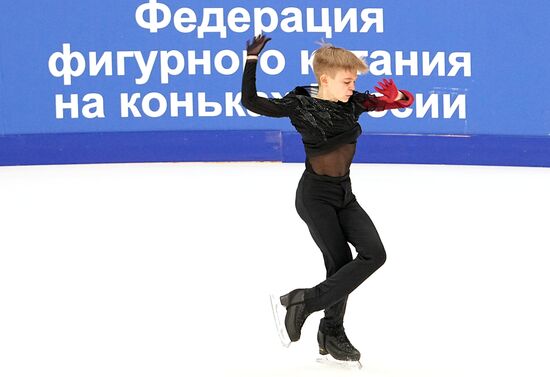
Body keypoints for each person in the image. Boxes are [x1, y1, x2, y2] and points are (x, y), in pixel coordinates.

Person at [241, 34, 414, 364]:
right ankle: (330, 332)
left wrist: (398, 98)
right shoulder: (300, 105)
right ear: (325, 79)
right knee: (339, 263)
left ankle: (304, 302)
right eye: (347, 81)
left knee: (373, 254)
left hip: (344, 196)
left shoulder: (353, 102)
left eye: (353, 82)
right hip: (315, 197)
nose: (352, 87)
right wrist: (252, 60)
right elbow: (252, 102)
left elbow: (389, 102)